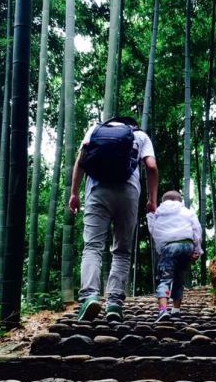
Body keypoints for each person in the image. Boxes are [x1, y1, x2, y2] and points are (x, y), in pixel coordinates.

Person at [69, 116, 158, 322]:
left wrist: (74, 193)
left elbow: (81, 161)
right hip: (128, 193)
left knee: (92, 247)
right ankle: (115, 304)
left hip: (97, 190)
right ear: (132, 125)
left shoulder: (95, 130)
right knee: (122, 251)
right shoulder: (140, 135)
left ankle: (90, 296)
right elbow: (151, 167)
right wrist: (152, 200)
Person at [147, 190, 202, 322]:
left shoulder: (158, 212)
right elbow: (197, 229)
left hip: (170, 246)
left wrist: (161, 249)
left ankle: (163, 310)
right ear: (180, 200)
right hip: (187, 245)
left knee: (165, 278)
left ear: (163, 201)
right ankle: (176, 310)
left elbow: (152, 229)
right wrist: (197, 250)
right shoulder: (187, 211)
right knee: (179, 277)